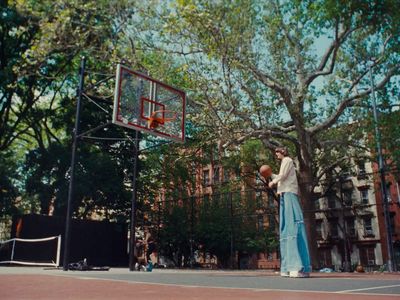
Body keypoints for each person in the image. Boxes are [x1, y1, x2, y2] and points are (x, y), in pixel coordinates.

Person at [268, 147, 311, 278]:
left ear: (282, 152)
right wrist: (270, 174)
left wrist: (273, 181)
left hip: (290, 193)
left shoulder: (287, 160)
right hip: (284, 194)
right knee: (286, 228)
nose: (276, 155)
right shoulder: (284, 162)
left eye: (277, 152)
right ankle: (287, 267)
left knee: (293, 224)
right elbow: (281, 176)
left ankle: (297, 267)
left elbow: (283, 176)